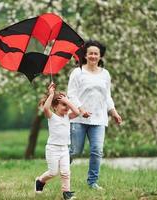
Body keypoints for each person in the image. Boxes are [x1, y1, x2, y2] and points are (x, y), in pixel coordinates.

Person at [67, 40, 122, 190]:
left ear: (100, 56)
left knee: (97, 150)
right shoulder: (77, 72)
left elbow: (107, 96)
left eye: (96, 53)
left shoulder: (105, 74)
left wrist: (114, 112)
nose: (93, 56)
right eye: (90, 53)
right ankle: (60, 167)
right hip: (78, 118)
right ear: (85, 55)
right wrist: (80, 109)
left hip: (99, 119)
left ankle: (92, 182)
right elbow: (71, 94)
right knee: (75, 150)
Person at [35, 82, 80, 200]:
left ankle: (66, 193)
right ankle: (40, 181)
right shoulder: (51, 116)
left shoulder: (67, 117)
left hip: (64, 148)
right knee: (53, 172)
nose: (67, 107)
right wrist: (51, 94)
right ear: (55, 107)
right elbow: (45, 108)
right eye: (63, 104)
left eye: (67, 105)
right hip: (52, 149)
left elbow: (77, 112)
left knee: (66, 172)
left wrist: (68, 101)